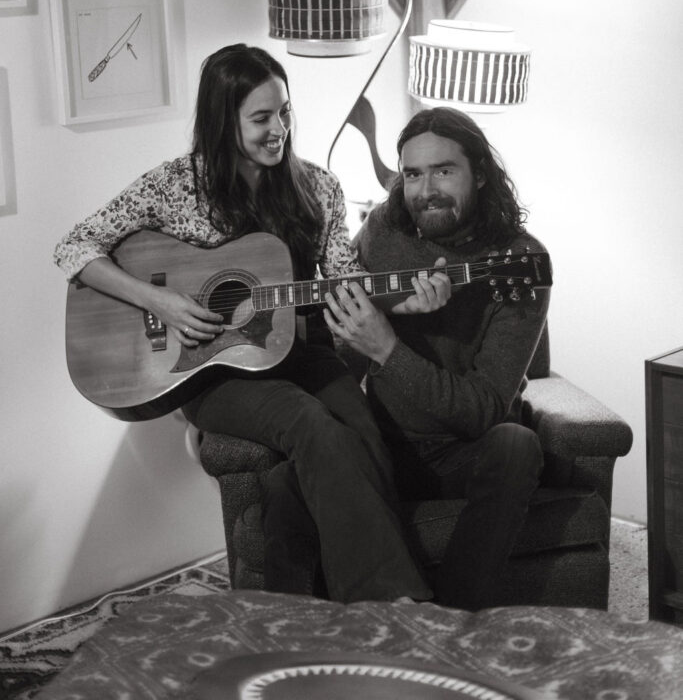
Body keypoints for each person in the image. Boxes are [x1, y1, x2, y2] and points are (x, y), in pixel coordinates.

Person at [54, 43, 451, 604]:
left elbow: (343, 279)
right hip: (211, 371)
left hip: (301, 350)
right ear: (223, 120)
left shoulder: (317, 186)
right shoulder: (175, 187)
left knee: (361, 432)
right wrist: (158, 301)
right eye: (261, 118)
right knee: (311, 425)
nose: (279, 129)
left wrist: (407, 302)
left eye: (284, 112)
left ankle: (304, 598)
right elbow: (73, 247)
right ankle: (393, 606)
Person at [324, 106, 550, 610]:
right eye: (412, 174)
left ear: (481, 174)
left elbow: (483, 410)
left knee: (515, 444)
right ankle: (291, 642)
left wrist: (388, 347)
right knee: (284, 483)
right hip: (382, 444)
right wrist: (364, 327)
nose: (426, 190)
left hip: (460, 452)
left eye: (444, 171)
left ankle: (450, 624)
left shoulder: (519, 262)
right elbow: (342, 320)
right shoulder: (385, 227)